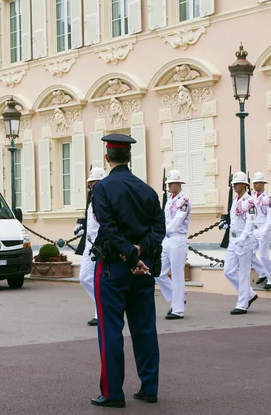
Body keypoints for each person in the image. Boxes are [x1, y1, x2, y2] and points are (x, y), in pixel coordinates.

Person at [90, 133, 166, 408]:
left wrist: (131, 256)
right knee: (145, 329)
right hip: (142, 268)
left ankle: (112, 393)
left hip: (114, 267)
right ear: (130, 156)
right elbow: (159, 229)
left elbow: (108, 229)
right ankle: (149, 387)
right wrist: (141, 252)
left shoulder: (103, 188)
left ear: (107, 157)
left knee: (110, 330)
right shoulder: (147, 190)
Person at [220, 171, 258, 315]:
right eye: (233, 184)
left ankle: (242, 303)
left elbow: (250, 221)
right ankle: (249, 294)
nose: (234, 186)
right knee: (228, 271)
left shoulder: (249, 201)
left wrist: (243, 238)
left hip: (244, 240)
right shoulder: (235, 200)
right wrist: (226, 226)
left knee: (243, 273)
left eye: (237, 184)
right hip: (233, 240)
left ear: (244, 185)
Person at [156, 170, 192, 320]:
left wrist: (163, 231)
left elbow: (178, 220)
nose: (169, 186)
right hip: (166, 240)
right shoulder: (169, 199)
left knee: (177, 275)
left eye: (171, 183)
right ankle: (176, 297)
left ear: (179, 184)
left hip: (177, 238)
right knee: (157, 272)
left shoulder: (184, 200)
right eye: (168, 184)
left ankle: (178, 309)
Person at [74, 167, 106, 326]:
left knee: (97, 278)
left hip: (99, 244)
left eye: (93, 183)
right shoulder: (93, 198)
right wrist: (81, 227)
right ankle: (103, 307)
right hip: (89, 242)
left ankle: (100, 311)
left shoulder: (105, 198)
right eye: (90, 184)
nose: (91, 186)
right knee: (84, 277)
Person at [250, 172, 271, 290]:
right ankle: (263, 272)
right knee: (249, 253)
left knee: (264, 255)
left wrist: (265, 229)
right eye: (254, 183)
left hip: (263, 228)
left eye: (257, 183)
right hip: (254, 229)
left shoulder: (268, 198)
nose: (255, 185)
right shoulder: (252, 197)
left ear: (263, 183)